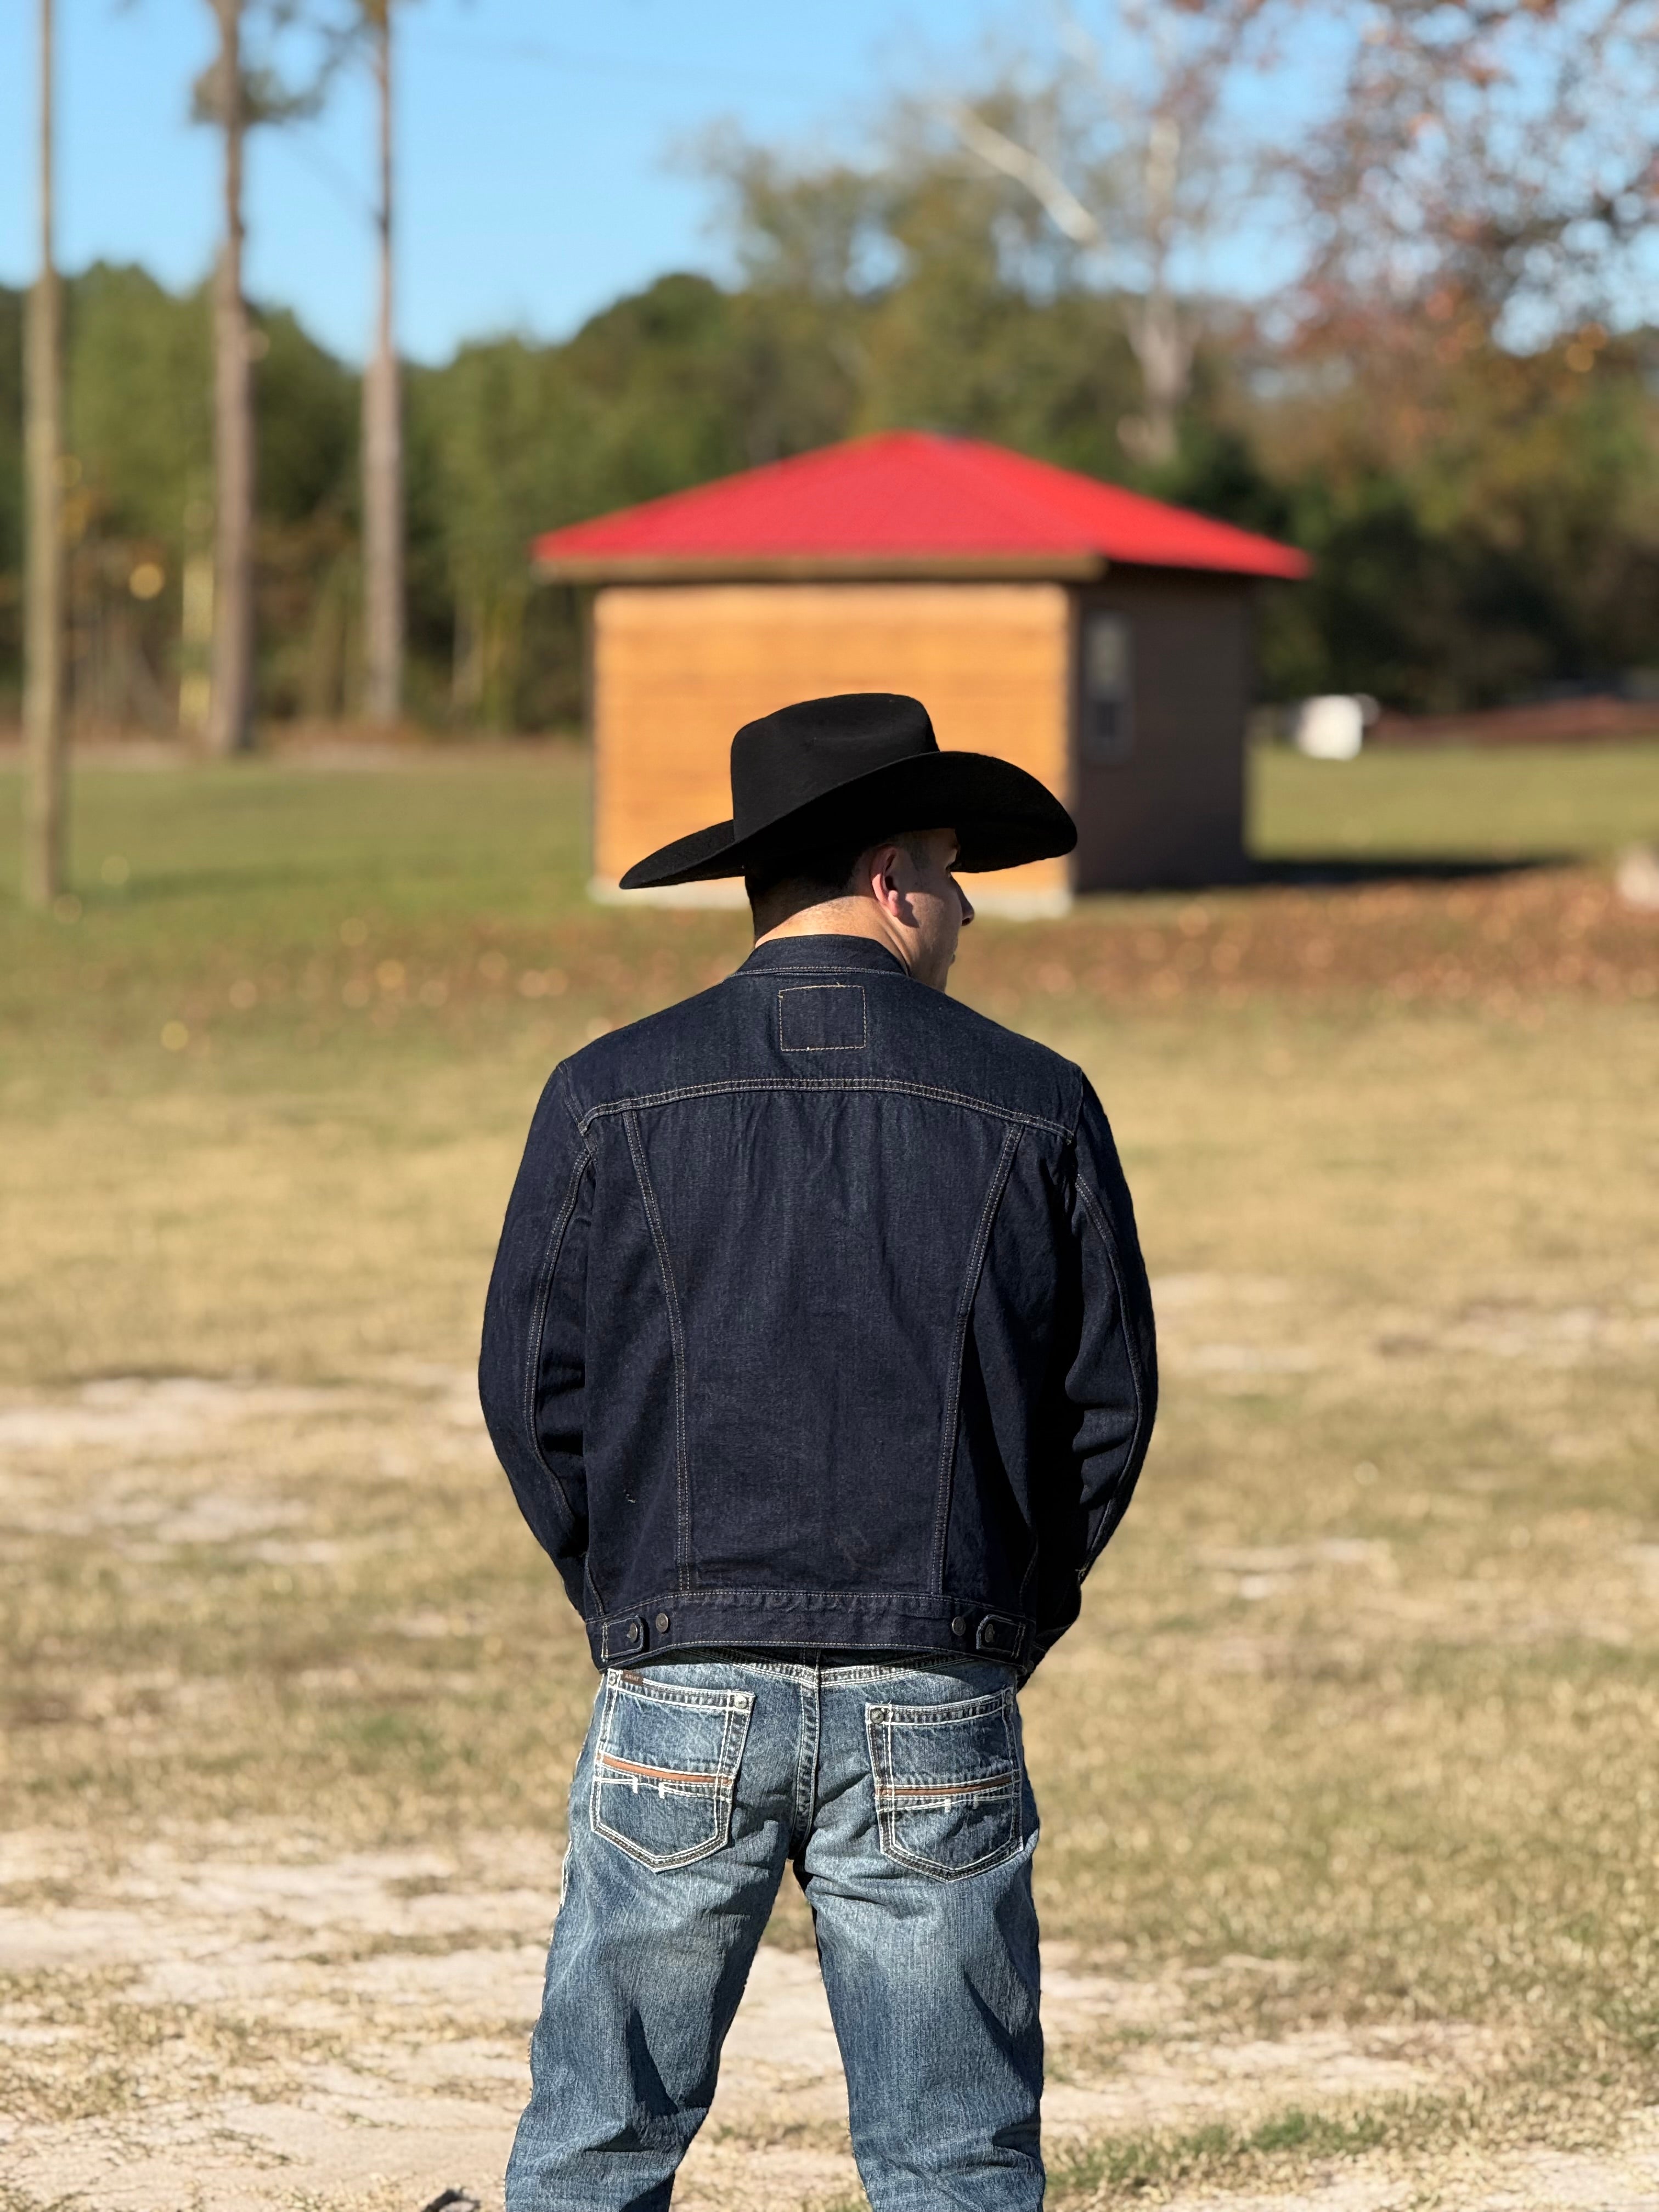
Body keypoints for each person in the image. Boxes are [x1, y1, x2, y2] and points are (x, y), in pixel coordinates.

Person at [479, 691, 1157, 2212]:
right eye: (952, 868)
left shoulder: (603, 1095)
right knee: (956, 2157)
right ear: (889, 876)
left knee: (596, 2143)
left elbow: (536, 1395)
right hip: (938, 1687)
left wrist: (641, 1597)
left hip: (678, 1681)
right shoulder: (1038, 1105)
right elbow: (1101, 1413)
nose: (969, 905)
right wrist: (989, 1620)